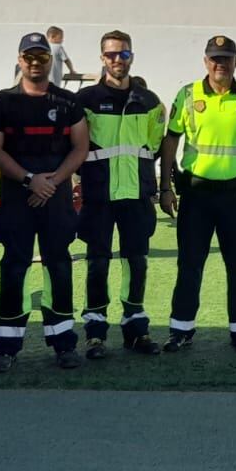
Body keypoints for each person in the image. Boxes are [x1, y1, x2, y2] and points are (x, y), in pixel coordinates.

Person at [158, 34, 236, 355]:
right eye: (215, 58)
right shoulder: (188, 94)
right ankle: (180, 330)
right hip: (196, 196)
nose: (220, 64)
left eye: (227, 58)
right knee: (190, 264)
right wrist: (166, 186)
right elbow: (171, 140)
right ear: (206, 61)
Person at [0, 32, 90, 371]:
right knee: (15, 266)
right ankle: (7, 347)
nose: (34, 62)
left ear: (50, 60)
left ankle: (63, 344)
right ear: (19, 59)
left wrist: (53, 181)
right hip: (18, 195)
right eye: (28, 56)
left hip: (56, 197)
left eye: (41, 57)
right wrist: (30, 180)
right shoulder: (2, 102)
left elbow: (80, 147)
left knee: (58, 265)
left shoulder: (68, 101)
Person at [75, 30, 165, 358]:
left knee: (136, 263)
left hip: (136, 196)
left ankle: (135, 330)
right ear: (102, 58)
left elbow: (154, 145)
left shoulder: (150, 101)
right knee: (97, 263)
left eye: (123, 54)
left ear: (131, 57)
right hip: (99, 196)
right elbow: (74, 144)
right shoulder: (84, 100)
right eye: (111, 54)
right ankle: (95, 333)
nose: (117, 60)